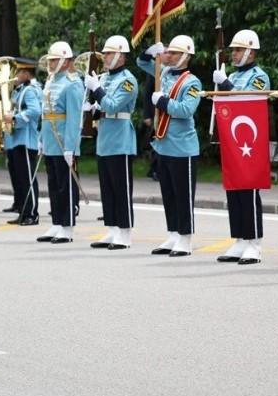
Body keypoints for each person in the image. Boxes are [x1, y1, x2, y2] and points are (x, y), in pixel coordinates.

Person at [138, 35, 202, 257]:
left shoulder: (191, 82)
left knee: (183, 195)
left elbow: (186, 110)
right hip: (162, 145)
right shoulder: (163, 73)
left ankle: (186, 238)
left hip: (182, 147)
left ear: (185, 55)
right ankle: (173, 233)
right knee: (168, 194)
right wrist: (148, 51)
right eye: (168, 52)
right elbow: (142, 63)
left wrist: (162, 101)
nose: (168, 55)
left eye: (173, 53)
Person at [213, 29, 269, 265]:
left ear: (251, 51)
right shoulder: (233, 76)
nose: (233, 54)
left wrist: (225, 85)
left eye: (238, 50)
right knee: (234, 189)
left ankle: (254, 243)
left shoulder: (259, 76)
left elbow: (247, 100)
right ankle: (240, 240)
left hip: (250, 142)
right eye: (233, 50)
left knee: (248, 190)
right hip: (232, 141)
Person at [83, 35, 138, 249]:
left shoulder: (128, 80)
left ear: (121, 56)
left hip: (120, 138)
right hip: (105, 137)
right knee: (107, 188)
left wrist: (96, 89)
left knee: (121, 188)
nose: (104, 57)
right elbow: (101, 106)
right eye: (104, 53)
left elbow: (113, 105)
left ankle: (125, 232)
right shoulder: (105, 79)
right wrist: (91, 110)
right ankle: (113, 228)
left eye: (109, 53)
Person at [36, 41, 84, 244]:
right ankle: (56, 222)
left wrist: (70, 147)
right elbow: (45, 115)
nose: (50, 63)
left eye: (54, 60)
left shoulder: (72, 84)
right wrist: (40, 139)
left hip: (64, 141)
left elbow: (74, 119)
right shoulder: (51, 82)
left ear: (65, 62)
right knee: (54, 184)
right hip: (50, 141)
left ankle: (67, 226)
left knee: (67, 186)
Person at [1, 57, 42, 226]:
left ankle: (32, 213)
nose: (14, 76)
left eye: (17, 72)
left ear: (25, 73)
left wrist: (14, 117)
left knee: (27, 178)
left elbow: (35, 111)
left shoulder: (30, 90)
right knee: (21, 178)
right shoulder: (21, 90)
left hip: (26, 139)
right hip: (18, 138)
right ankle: (24, 212)